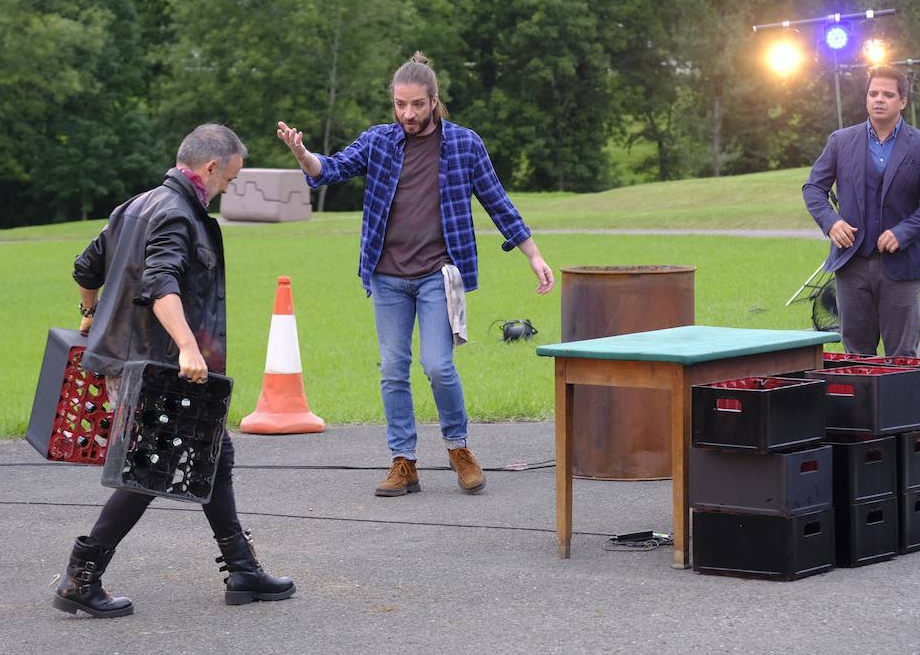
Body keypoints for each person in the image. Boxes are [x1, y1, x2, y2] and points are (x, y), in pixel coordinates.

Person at [276, 52, 554, 498]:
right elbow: (330, 169)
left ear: (434, 101)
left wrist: (533, 255)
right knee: (392, 369)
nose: (407, 114)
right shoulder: (379, 142)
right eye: (400, 105)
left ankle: (459, 449)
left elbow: (497, 201)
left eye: (417, 105)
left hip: (437, 277)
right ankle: (403, 463)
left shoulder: (464, 144)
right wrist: (302, 153)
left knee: (439, 366)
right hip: (386, 278)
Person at [52, 124, 295, 618]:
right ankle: (82, 574)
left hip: (132, 359)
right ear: (210, 168)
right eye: (230, 175)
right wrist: (187, 346)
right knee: (149, 471)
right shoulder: (178, 215)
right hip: (157, 363)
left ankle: (242, 568)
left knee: (214, 455)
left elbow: (85, 268)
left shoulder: (136, 205)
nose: (230, 185)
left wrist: (88, 313)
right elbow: (162, 284)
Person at [803, 64, 920, 356]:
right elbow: (813, 189)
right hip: (851, 264)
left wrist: (903, 232)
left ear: (903, 102)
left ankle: (899, 404)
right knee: (856, 355)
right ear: (866, 99)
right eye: (873, 93)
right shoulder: (840, 142)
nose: (879, 99)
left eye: (888, 94)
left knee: (903, 356)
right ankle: (861, 404)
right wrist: (831, 223)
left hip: (902, 267)